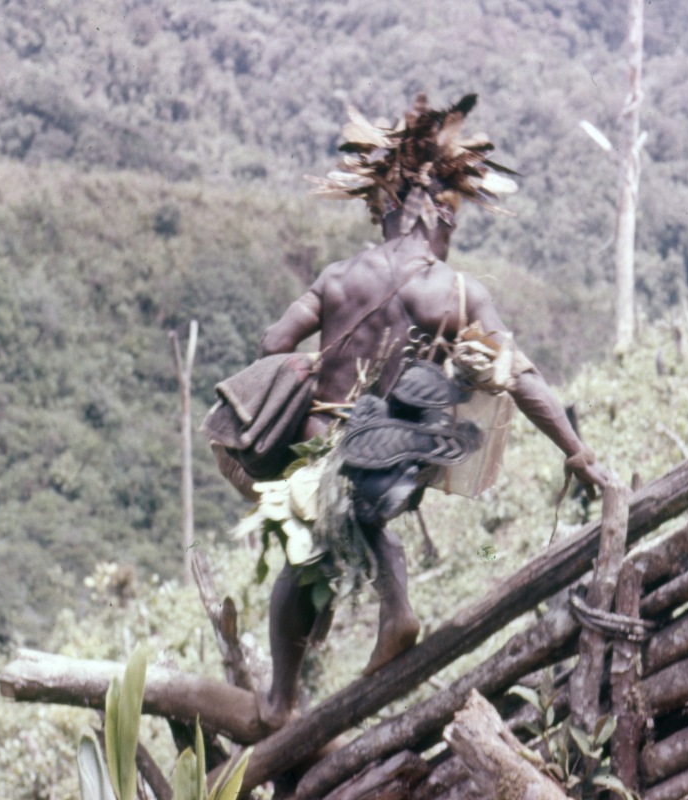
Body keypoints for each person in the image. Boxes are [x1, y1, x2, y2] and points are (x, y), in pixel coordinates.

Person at [215, 93, 610, 731]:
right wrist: (578, 452)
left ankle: (285, 694)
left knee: (303, 553)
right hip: (399, 461)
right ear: (431, 213)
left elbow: (272, 342)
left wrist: (309, 367)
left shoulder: (338, 278)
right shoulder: (455, 293)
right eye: (451, 223)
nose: (451, 237)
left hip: (323, 447)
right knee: (331, 534)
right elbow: (522, 379)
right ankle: (381, 618)